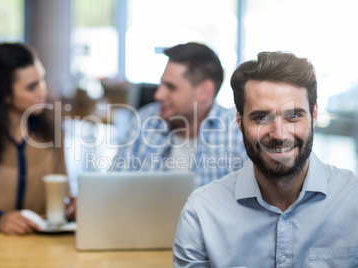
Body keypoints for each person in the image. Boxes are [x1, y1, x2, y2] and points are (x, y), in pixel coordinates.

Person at [173, 51, 358, 267]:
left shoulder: (353, 200)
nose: (279, 134)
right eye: (261, 117)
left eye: (294, 116)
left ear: (314, 115)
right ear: (240, 123)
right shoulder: (202, 214)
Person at [0, 43, 74, 235]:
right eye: (31, 87)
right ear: (3, 94)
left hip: (38, 251)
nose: (42, 91)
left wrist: (70, 208)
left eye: (42, 80)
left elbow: (61, 194)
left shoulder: (51, 131)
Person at [112, 42, 247, 188]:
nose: (158, 95)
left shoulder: (238, 135)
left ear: (204, 91)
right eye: (161, 85)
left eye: (171, 87)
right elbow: (114, 187)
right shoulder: (145, 120)